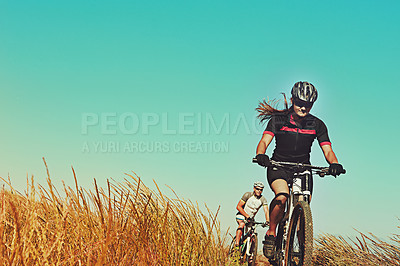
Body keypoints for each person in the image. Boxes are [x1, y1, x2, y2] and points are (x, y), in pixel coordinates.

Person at [254, 81, 344, 259]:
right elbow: (264, 141)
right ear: (293, 99)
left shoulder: (317, 125)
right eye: (300, 103)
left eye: (308, 104)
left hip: (303, 169)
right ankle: (271, 233)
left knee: (304, 205)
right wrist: (261, 154)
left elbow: (327, 150)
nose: (304, 107)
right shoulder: (278, 120)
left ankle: (303, 250)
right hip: (279, 166)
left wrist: (335, 163)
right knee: (282, 197)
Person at [235, 181, 270, 247]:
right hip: (241, 215)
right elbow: (238, 206)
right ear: (254, 188)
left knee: (254, 235)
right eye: (257, 189)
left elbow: (266, 210)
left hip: (251, 219)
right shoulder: (248, 195)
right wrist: (246, 216)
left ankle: (251, 255)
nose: (259, 191)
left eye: (261, 190)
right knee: (241, 225)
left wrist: (267, 220)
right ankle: (236, 245)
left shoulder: (263, 199)